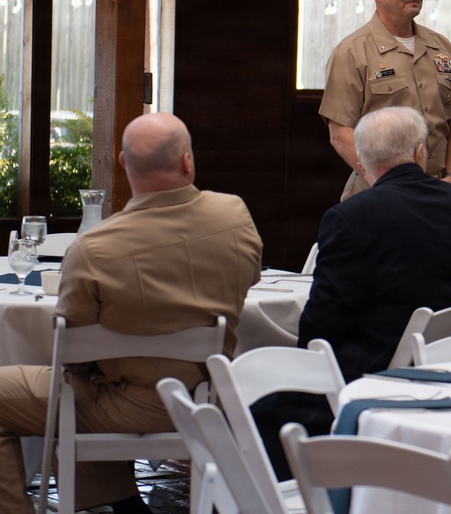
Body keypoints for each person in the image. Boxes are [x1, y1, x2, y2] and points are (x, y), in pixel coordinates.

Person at [0, 113, 262, 513]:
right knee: (76, 387)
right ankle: (117, 501)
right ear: (187, 161)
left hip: (125, 403)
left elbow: (72, 349)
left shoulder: (96, 248)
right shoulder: (234, 216)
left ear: (123, 164)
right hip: (207, 397)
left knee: (67, 386)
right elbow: (250, 278)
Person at [298, 106, 451, 382]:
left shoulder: (350, 217)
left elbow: (322, 323)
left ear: (361, 163)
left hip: (373, 376)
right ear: (419, 152)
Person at [319, 0, 451, 200]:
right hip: (377, 194)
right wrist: (386, 182)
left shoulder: (442, 47)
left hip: (437, 192)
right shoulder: (351, 52)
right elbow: (340, 134)